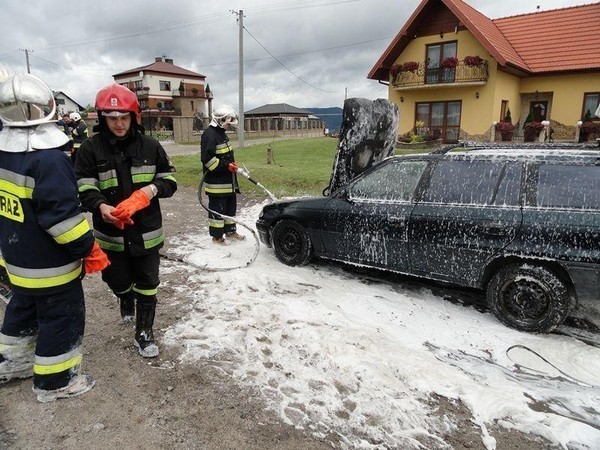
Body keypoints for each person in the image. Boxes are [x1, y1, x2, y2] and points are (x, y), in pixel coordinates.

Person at [0, 73, 109, 402]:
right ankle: (55, 381)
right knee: (61, 317)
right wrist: (89, 248)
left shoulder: (5, 153)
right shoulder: (49, 160)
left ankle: (12, 363)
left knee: (22, 308)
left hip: (17, 262)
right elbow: (61, 219)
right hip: (50, 267)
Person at [74, 84, 177, 358]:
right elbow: (83, 186)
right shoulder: (89, 149)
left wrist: (148, 192)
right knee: (116, 279)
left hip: (146, 232)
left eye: (124, 117)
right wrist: (101, 206)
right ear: (103, 118)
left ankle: (144, 333)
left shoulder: (152, 146)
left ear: (134, 117)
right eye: (112, 118)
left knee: (148, 282)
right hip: (111, 233)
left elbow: (169, 179)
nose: (119, 124)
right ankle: (123, 296)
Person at [200, 104, 245, 244]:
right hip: (217, 183)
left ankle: (230, 231)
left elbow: (225, 155)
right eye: (227, 123)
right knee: (217, 210)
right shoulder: (209, 135)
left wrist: (231, 164)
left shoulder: (221, 134)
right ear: (219, 120)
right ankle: (217, 237)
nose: (228, 126)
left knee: (230, 207)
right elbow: (207, 160)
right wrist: (226, 166)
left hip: (228, 181)